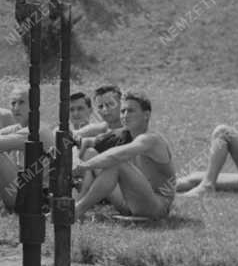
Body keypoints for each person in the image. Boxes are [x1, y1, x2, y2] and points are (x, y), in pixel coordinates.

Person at [73, 91, 176, 221]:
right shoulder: (124, 135)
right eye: (123, 111)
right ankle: (72, 205)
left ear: (146, 115)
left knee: (117, 163)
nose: (125, 116)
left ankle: (77, 210)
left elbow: (116, 156)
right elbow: (89, 142)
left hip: (156, 207)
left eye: (131, 111)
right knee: (90, 153)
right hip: (129, 201)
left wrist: (84, 166)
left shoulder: (151, 140)